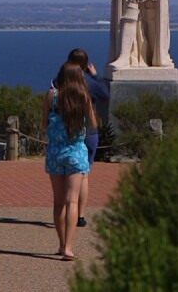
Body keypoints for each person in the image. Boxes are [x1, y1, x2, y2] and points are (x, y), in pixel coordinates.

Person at [43, 61, 98, 261]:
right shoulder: (84, 97)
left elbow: (44, 123)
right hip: (76, 152)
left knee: (58, 202)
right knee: (72, 200)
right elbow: (92, 125)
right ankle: (68, 246)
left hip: (55, 152)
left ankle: (60, 244)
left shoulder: (52, 96)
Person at [65, 48, 109, 229]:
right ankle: (80, 215)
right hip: (89, 132)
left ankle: (68, 211)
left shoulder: (63, 83)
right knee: (84, 175)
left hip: (70, 131)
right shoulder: (90, 83)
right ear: (86, 64)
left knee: (67, 174)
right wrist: (96, 76)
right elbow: (105, 95)